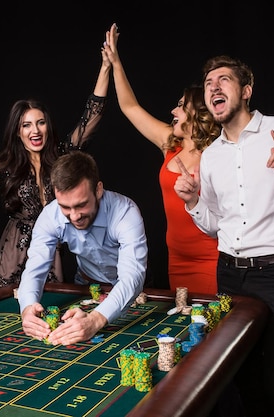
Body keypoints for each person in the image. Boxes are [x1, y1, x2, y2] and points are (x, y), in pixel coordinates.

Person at [174, 55, 274, 417]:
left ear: (246, 90)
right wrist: (193, 203)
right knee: (242, 382)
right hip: (230, 276)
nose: (213, 87)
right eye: (208, 83)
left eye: (224, 80)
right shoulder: (212, 155)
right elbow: (215, 225)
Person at [103, 23, 220, 294]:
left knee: (213, 328)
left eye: (181, 105)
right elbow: (130, 107)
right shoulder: (171, 144)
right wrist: (116, 63)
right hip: (177, 258)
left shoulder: (219, 153)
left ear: (197, 113)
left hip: (211, 258)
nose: (173, 110)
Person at [0, 45, 112, 289]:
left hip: (51, 256)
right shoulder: (6, 167)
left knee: (50, 315)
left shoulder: (61, 157)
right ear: (17, 131)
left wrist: (106, 67)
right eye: (26, 125)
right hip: (14, 257)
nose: (35, 131)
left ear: (48, 125)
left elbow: (91, 117)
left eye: (40, 123)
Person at [17, 151, 148, 345]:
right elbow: (35, 268)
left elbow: (132, 277)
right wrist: (27, 307)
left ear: (98, 190)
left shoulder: (125, 211)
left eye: (81, 205)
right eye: (65, 207)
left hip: (131, 291)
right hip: (86, 285)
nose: (74, 215)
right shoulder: (51, 215)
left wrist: (95, 319)